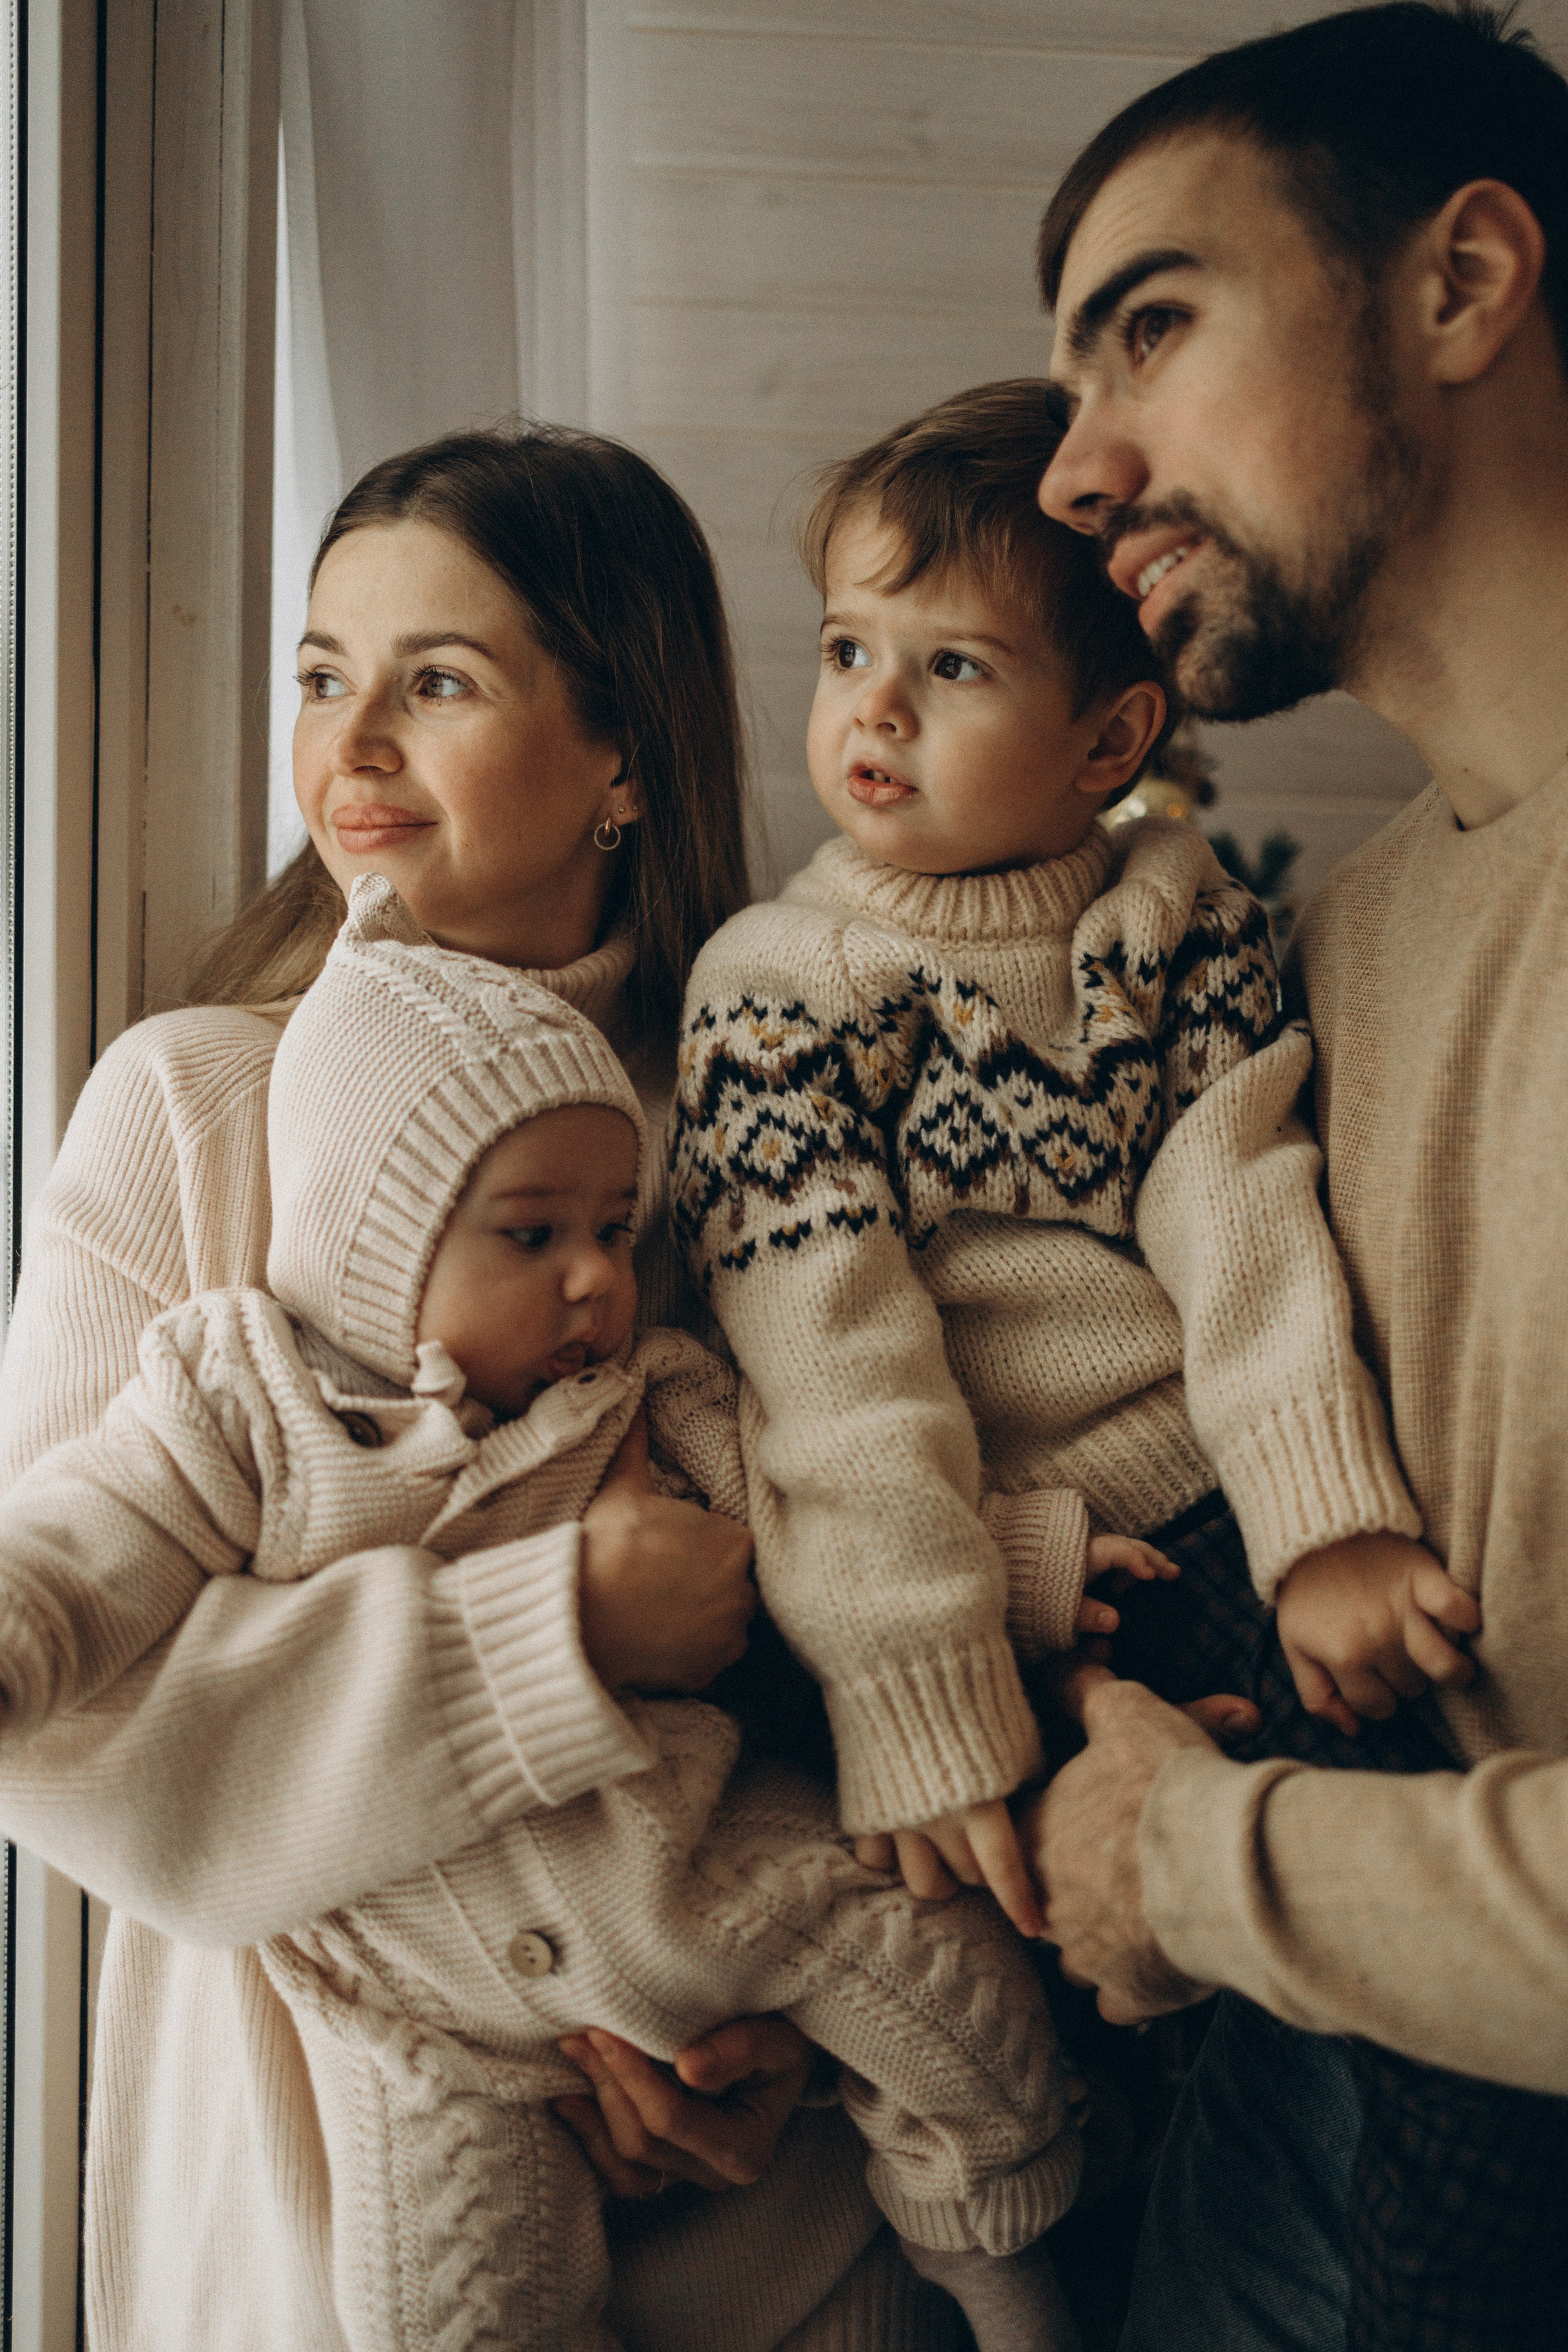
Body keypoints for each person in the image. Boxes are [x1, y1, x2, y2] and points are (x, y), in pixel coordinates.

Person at [0, 424, 959, 2350]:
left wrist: (770, 2034)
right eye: (322, 678)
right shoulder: (190, 1107)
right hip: (324, 2196)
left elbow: (876, 1611)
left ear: (624, 759)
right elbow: (63, 1725)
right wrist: (555, 1634)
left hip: (788, 2238)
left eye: (435, 683)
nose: (350, 747)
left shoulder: (787, 1116)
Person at [0, 870, 1088, 2352]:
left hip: (683, 1870)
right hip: (415, 2009)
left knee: (963, 2009)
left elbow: (813, 1530)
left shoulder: (640, 1389)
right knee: (444, 2309)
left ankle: (1005, 2288)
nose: (594, 1278)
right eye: (531, 1238)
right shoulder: (241, 1401)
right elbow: (86, 1550)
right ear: (380, 1251)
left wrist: (1025, 1571)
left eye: (614, 1231)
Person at [1028, 6, 1568, 2349]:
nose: (1077, 472)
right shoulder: (1325, 950)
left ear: (1461, 283)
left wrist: (1194, 1861)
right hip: (1288, 2101)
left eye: (1152, 326)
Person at [668, 379, 1443, 1945]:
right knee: (1109, 1947)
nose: (875, 710)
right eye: (846, 651)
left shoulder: (1183, 922)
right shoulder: (774, 990)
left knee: (1390, 1841)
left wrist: (1323, 1518)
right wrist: (919, 1684)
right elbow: (830, 1364)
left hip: (1212, 1507)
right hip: (984, 1569)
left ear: (1109, 737)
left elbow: (1240, 1202)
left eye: (950, 666)